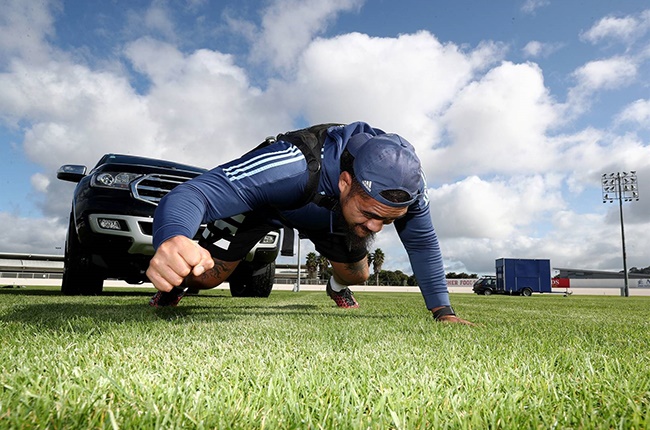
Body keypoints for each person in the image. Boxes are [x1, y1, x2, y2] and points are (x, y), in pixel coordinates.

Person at [146, 121, 472, 324]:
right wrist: (172, 237)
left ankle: (336, 288)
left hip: (328, 219)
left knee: (359, 275)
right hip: (265, 206)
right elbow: (194, 193)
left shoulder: (410, 186)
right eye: (371, 214)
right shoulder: (289, 165)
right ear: (345, 182)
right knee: (206, 278)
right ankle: (176, 284)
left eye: (388, 221)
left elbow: (422, 243)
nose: (376, 227)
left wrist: (443, 312)